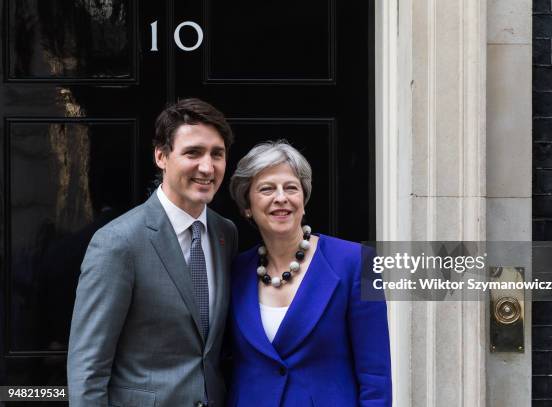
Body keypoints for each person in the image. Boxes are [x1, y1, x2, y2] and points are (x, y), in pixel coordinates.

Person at [67, 98, 238, 407]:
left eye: (217, 154)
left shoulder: (226, 233)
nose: (207, 167)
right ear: (161, 156)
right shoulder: (118, 243)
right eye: (193, 153)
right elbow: (88, 367)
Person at [227, 140, 391, 406]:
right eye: (267, 189)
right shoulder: (235, 271)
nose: (281, 198)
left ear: (303, 200)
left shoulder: (359, 261)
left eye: (291, 188)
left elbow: (375, 375)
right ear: (247, 205)